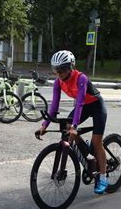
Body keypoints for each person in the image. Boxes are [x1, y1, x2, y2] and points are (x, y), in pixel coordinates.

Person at [37, 50, 109, 194]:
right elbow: (54, 105)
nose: (59, 74)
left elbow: (80, 103)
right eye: (56, 70)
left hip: (96, 106)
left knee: (96, 142)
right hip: (83, 107)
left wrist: (75, 127)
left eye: (62, 70)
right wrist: (44, 125)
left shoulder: (81, 78)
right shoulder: (58, 82)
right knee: (68, 127)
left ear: (71, 67)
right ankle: (85, 150)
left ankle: (102, 177)